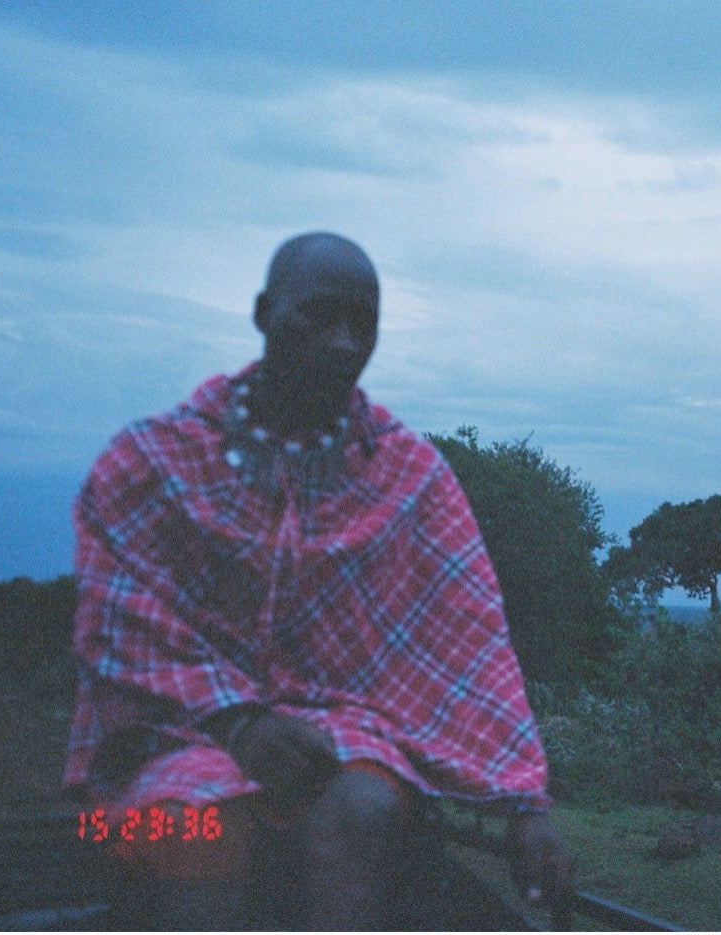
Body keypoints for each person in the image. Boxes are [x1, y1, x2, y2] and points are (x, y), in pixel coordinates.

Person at [64, 232, 575, 929]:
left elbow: (472, 639)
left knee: (364, 811)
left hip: (345, 741)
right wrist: (237, 721)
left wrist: (526, 805)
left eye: (361, 325)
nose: (342, 343)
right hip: (177, 738)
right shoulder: (154, 460)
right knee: (196, 825)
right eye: (320, 316)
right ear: (264, 312)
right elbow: (117, 619)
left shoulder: (407, 475)